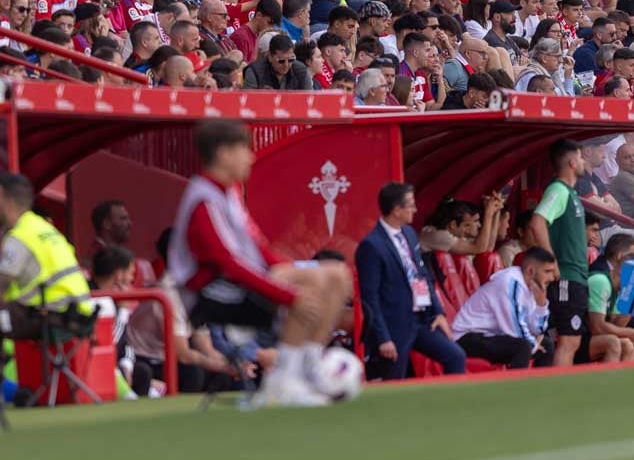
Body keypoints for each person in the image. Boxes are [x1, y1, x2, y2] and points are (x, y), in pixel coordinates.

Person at [169, 120, 352, 407]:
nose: (251, 157)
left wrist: (294, 272)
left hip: (237, 282)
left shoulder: (228, 193)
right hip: (209, 294)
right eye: (245, 149)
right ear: (223, 154)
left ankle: (308, 368)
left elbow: (259, 249)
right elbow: (229, 263)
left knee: (336, 275)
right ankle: (283, 382)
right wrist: (288, 294)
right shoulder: (204, 198)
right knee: (310, 287)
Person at [356, 181, 466, 380]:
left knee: (455, 356)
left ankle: (451, 406)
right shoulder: (372, 245)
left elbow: (422, 275)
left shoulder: (409, 234)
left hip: (421, 319)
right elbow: (369, 297)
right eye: (411, 205)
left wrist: (438, 312)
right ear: (397, 210)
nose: (415, 210)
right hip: (394, 324)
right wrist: (383, 338)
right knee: (394, 379)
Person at [0, 172, 95, 337]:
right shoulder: (41, 227)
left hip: (51, 315)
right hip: (77, 313)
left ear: (8, 204)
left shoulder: (19, 237)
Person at [528, 139, 588, 367]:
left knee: (570, 341)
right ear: (573, 162)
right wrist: (552, 262)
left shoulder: (569, 193)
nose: (583, 162)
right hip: (567, 278)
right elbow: (537, 221)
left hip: (576, 277)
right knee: (568, 341)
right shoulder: (558, 190)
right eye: (581, 157)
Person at [451, 246, 557, 368]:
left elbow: (537, 329)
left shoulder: (532, 287)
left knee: (546, 344)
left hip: (490, 335)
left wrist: (541, 304)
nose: (552, 278)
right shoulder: (510, 282)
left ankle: (539, 387)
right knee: (523, 346)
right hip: (466, 337)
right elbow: (515, 330)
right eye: (547, 271)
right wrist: (534, 344)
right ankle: (516, 387)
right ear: (530, 271)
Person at [585, 233, 634, 363]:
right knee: (613, 342)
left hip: (592, 338)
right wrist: (630, 332)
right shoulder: (601, 281)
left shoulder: (618, 288)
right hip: (576, 337)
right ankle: (606, 383)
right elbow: (597, 327)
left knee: (628, 345)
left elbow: (616, 324)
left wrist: (631, 299)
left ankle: (624, 384)